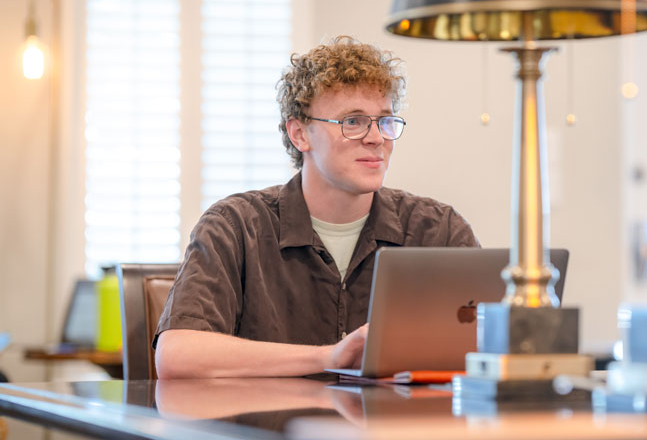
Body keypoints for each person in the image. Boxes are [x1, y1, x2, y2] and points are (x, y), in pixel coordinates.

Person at [154, 36, 479, 379]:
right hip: (269, 432)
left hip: (394, 430)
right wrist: (330, 357)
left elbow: (499, 350)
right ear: (299, 134)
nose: (376, 138)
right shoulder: (235, 226)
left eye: (384, 121)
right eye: (352, 121)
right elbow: (177, 356)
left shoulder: (439, 229)